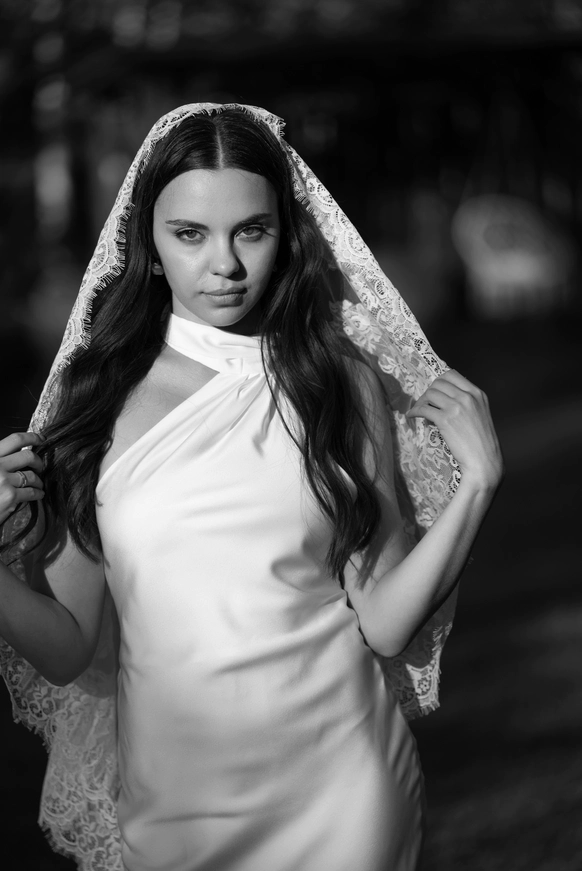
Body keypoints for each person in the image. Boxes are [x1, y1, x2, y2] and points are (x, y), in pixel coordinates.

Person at [0, 103, 503, 871]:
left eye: (252, 230)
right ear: (148, 246)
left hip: (345, 792)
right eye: (190, 234)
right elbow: (67, 647)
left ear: (285, 234)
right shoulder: (98, 399)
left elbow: (385, 622)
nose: (225, 264)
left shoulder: (339, 383)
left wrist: (478, 485)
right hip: (175, 806)